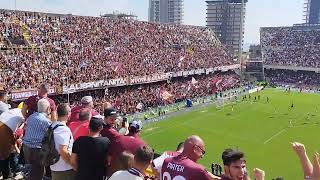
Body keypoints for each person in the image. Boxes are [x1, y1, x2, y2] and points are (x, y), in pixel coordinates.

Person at [23, 99, 52, 180]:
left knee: (31, 169)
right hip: (37, 149)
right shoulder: (46, 121)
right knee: (38, 172)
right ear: (48, 109)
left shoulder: (30, 117)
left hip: (26, 147)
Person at [50, 103, 75, 180]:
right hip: (64, 168)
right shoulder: (64, 129)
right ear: (68, 114)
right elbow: (63, 150)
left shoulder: (52, 126)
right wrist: (73, 165)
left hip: (54, 166)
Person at [0, 108, 24, 179]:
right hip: (5, 129)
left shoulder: (16, 111)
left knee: (4, 154)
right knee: (4, 155)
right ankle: (6, 175)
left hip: (4, 125)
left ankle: (6, 174)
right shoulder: (22, 114)